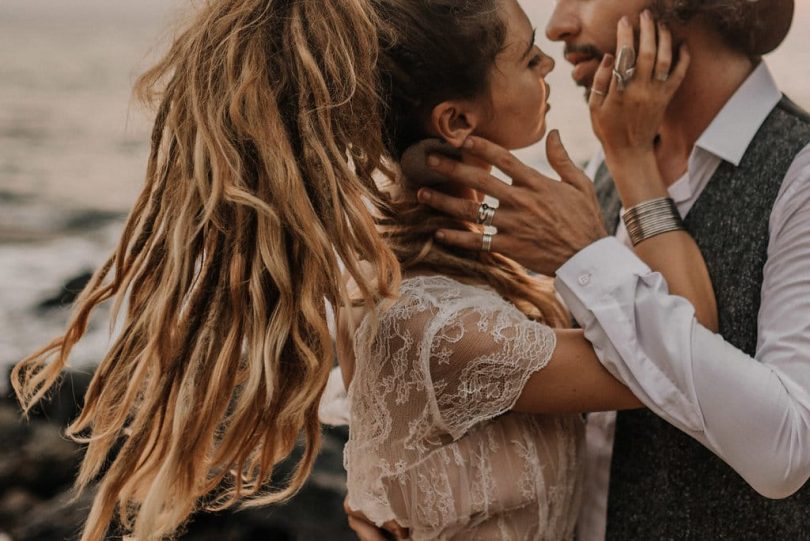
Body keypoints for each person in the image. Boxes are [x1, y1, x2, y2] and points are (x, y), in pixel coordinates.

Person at [8, 2, 694, 541]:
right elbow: (678, 362)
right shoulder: (435, 323)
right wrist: (633, 160)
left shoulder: (402, 266)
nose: (548, 64)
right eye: (527, 58)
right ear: (456, 119)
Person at [410, 0, 810, 538]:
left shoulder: (801, 177)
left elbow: (784, 450)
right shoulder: (603, 167)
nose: (557, 27)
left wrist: (584, 255)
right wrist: (403, 497)